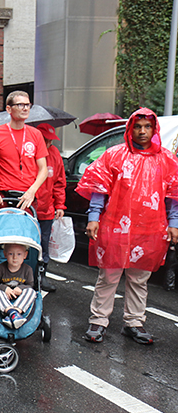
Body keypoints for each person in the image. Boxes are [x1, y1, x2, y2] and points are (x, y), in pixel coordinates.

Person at [78, 108, 178, 344]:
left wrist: (174, 223)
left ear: (154, 129)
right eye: (138, 126)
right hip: (115, 225)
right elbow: (99, 188)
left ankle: (134, 322)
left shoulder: (166, 159)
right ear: (130, 129)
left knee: (139, 278)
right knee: (109, 275)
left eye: (147, 127)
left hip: (149, 228)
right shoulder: (114, 155)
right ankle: (98, 320)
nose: (142, 131)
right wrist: (93, 217)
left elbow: (173, 195)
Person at [0, 91, 48, 211]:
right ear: (9, 109)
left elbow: (44, 169)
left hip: (27, 197)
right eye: (20, 105)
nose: (25, 108)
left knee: (28, 223)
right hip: (3, 197)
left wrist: (32, 191)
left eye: (27, 105)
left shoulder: (36, 134)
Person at [33, 123, 66, 292]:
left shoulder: (54, 154)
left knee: (44, 244)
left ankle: (41, 275)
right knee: (26, 243)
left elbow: (59, 182)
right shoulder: (28, 153)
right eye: (46, 140)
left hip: (46, 210)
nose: (49, 143)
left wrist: (60, 205)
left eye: (51, 140)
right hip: (28, 208)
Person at [0, 244, 37, 329]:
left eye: (19, 254)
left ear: (25, 255)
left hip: (20, 298)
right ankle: (11, 312)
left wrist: (21, 288)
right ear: (5, 254)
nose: (15, 257)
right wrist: (5, 289)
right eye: (11, 254)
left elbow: (30, 285)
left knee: (31, 291)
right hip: (4, 298)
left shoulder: (27, 269)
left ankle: (14, 313)